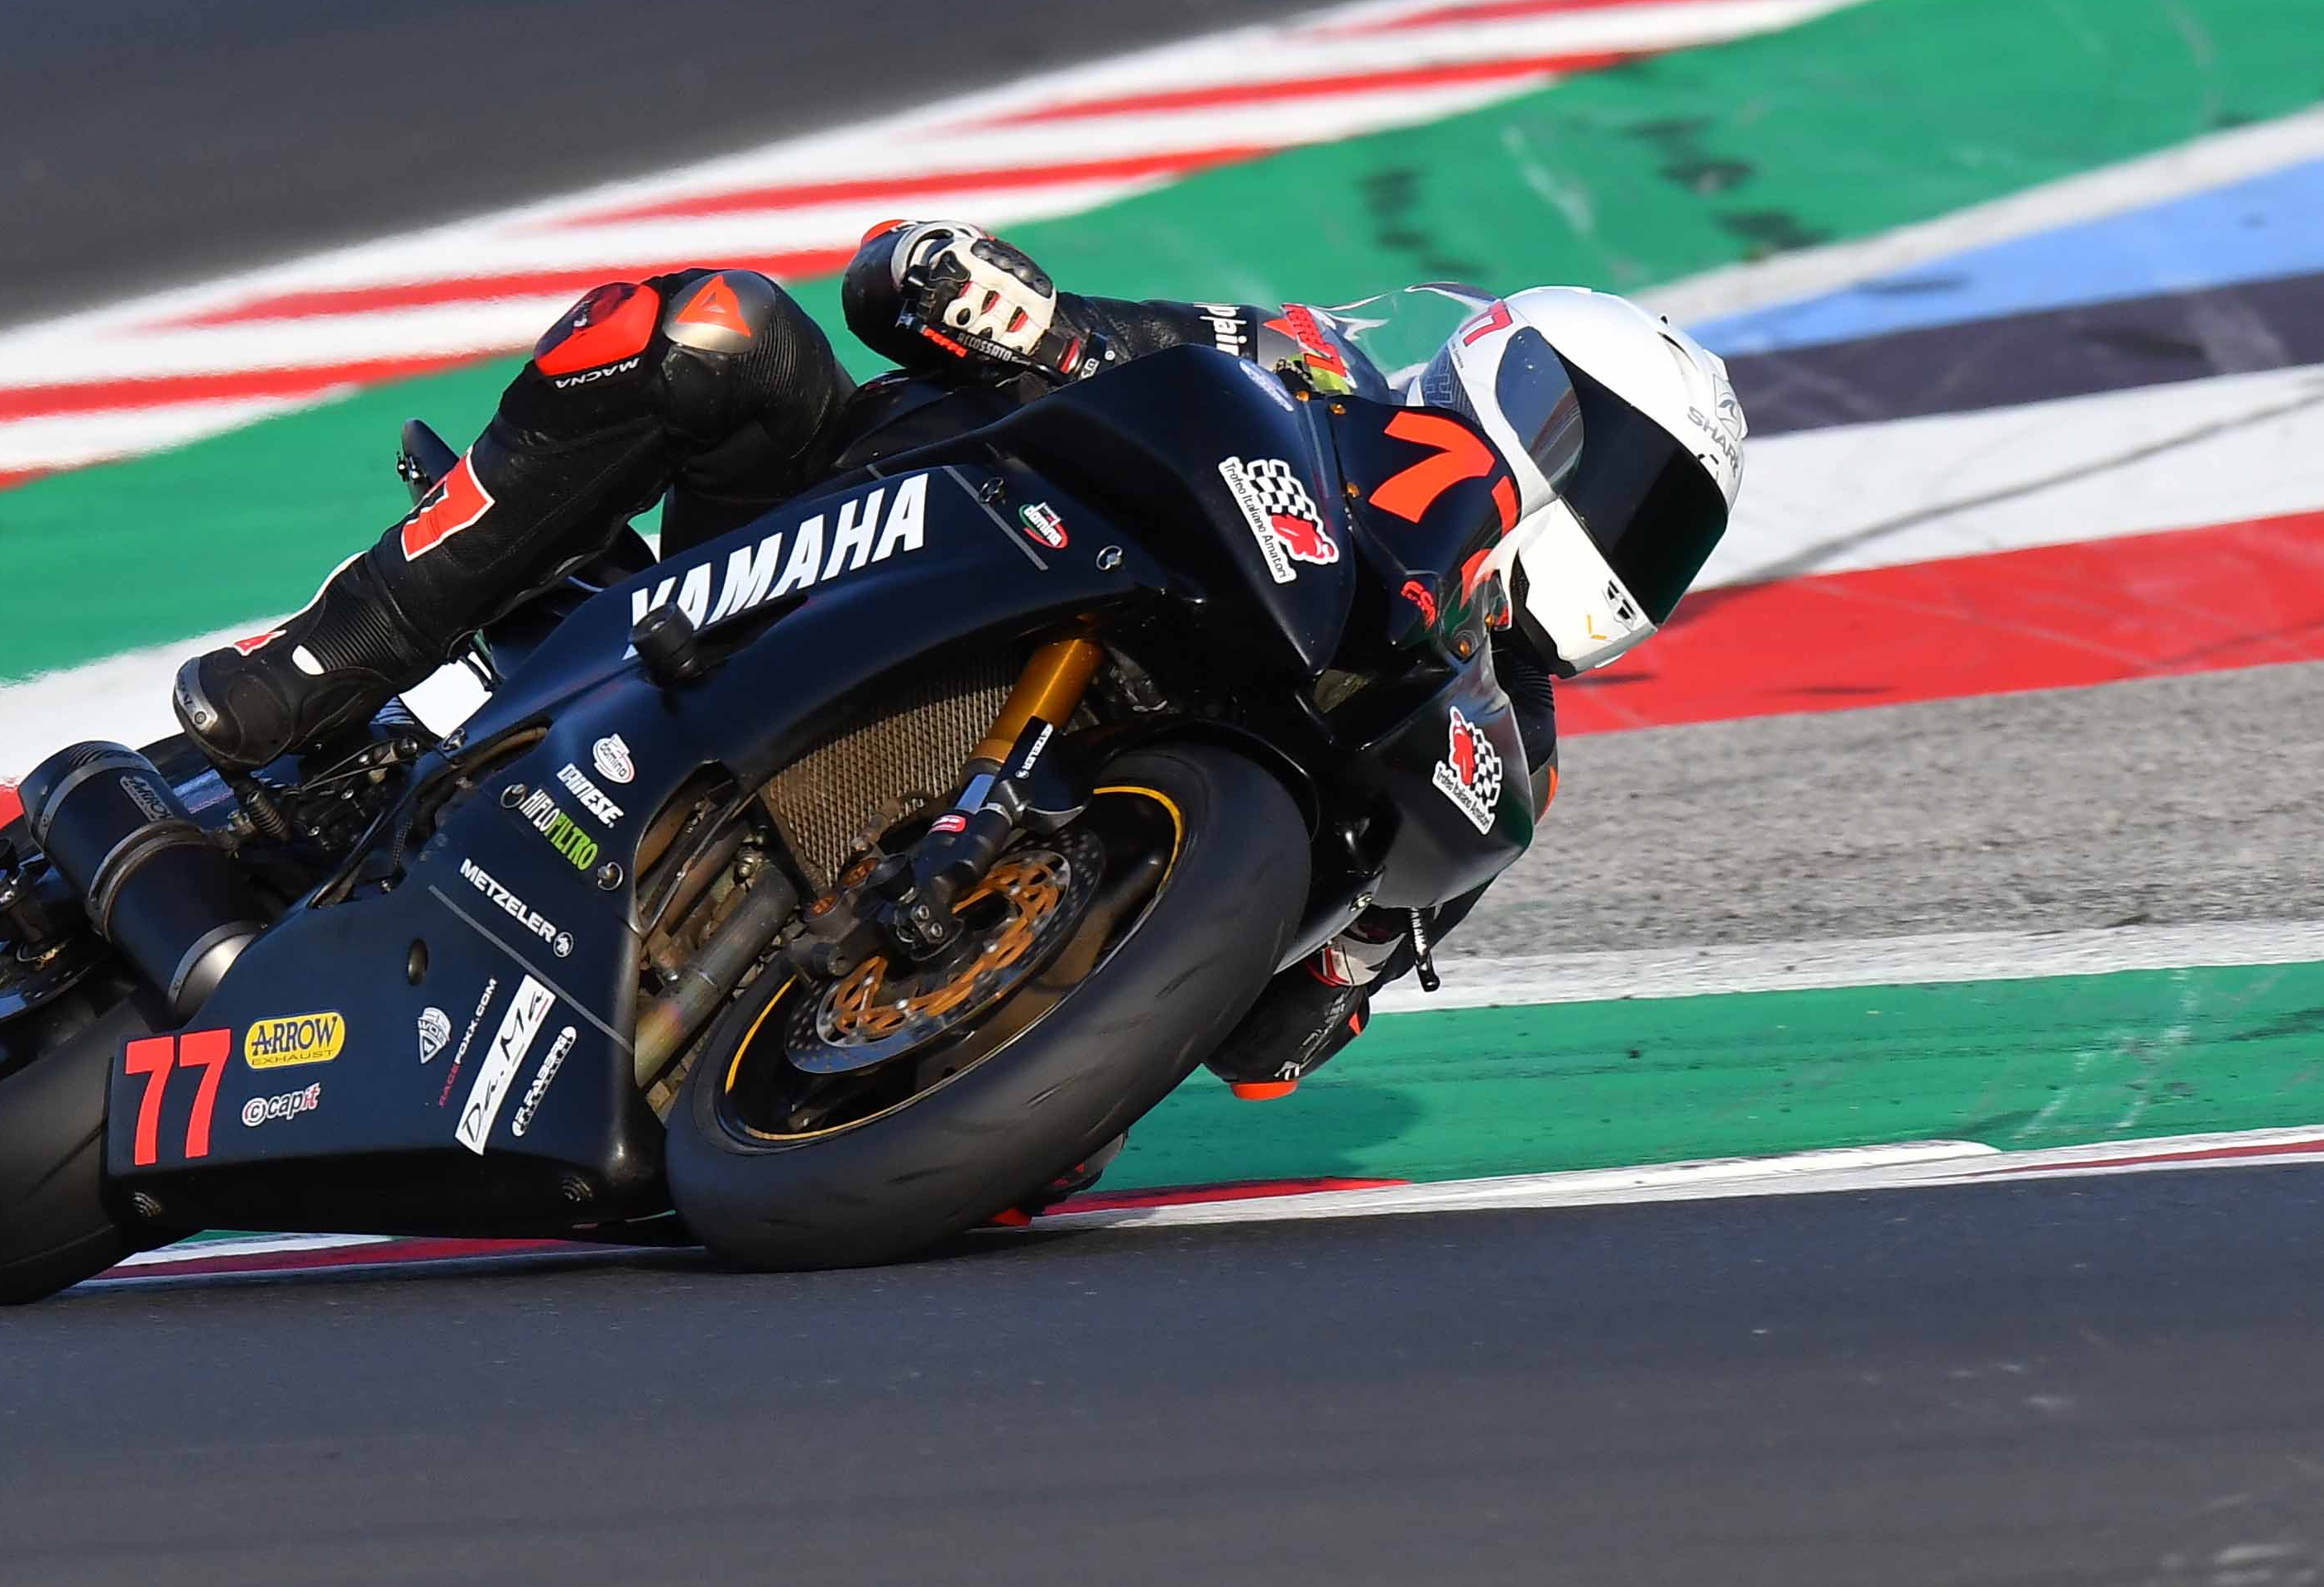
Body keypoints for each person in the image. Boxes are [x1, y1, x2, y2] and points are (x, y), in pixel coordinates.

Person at [172, 222, 1744, 1095]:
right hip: (838, 542)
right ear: (1513, 388)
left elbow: (1269, 1046)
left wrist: (1332, 961)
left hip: (964, 864)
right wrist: (1005, 305)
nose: (1625, 540)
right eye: (1620, 478)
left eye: (1664, 531)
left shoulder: (1492, 743)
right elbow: (901, 285)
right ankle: (321, 661)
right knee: (709, 327)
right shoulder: (1298, 370)